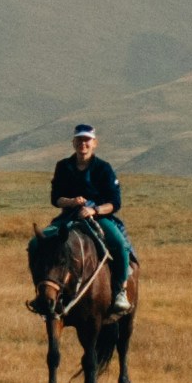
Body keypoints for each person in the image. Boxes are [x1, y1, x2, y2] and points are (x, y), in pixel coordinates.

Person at [46, 122, 133, 285]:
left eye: (87, 140)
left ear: (94, 143)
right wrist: (70, 202)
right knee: (40, 242)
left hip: (98, 217)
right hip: (69, 216)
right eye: (79, 140)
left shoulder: (104, 168)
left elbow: (115, 202)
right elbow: (55, 197)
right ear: (73, 143)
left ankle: (120, 289)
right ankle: (46, 289)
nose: (83, 144)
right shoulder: (63, 166)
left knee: (120, 245)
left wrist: (94, 210)